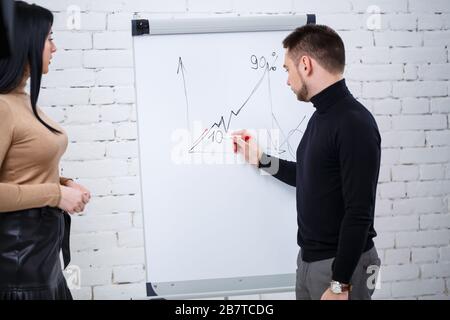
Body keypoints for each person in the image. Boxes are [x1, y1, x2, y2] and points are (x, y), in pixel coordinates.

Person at [233, 24, 381, 300]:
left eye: (287, 69)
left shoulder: (353, 123)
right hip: (311, 262)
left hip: (341, 268)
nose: (287, 80)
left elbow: (359, 212)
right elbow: (308, 175)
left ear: (305, 64)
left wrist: (340, 283)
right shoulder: (323, 115)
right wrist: (261, 160)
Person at [0, 1, 91, 300]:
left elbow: (21, 168)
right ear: (26, 41)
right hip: (18, 272)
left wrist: (64, 183)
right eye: (49, 38)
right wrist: (56, 195)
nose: (55, 47)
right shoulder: (2, 106)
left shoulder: (21, 100)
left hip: (42, 262)